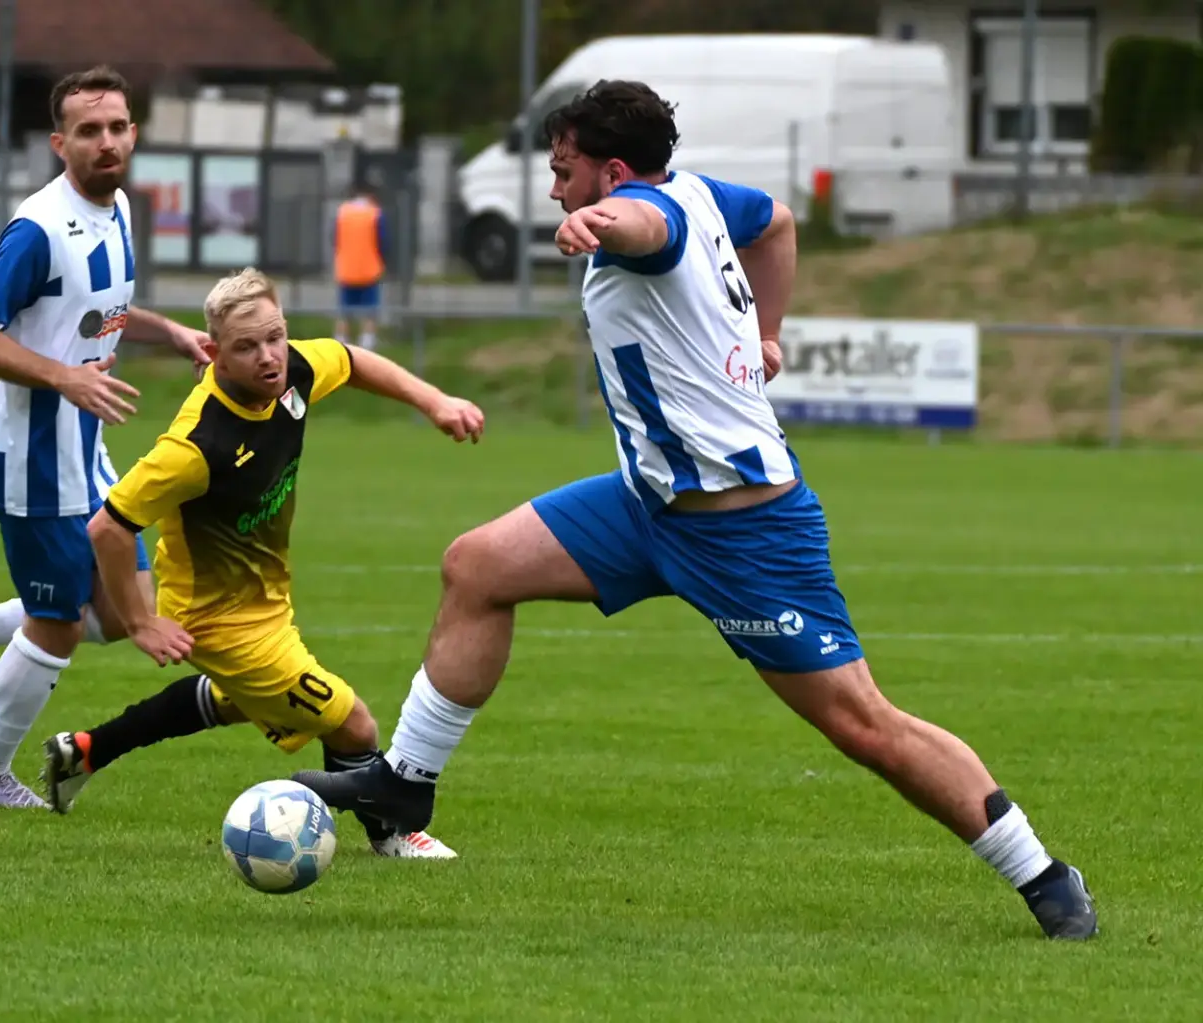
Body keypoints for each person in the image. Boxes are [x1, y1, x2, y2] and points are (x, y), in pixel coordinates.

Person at [292, 80, 1098, 939]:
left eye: (564, 173)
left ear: (611, 171)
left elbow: (645, 227)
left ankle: (1044, 875)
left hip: (743, 531)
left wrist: (599, 225)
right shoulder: (707, 192)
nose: (554, 190)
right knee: (477, 565)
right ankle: (404, 783)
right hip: (647, 500)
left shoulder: (647, 214)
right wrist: (770, 331)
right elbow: (780, 223)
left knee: (866, 725)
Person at [39, 267, 484, 858]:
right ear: (216, 353)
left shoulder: (291, 370)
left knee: (235, 701)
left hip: (262, 594)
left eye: (275, 337)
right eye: (247, 347)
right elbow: (109, 527)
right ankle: (393, 834)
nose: (269, 357)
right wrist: (142, 621)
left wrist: (434, 400)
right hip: (217, 616)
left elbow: (349, 359)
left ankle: (86, 751)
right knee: (352, 723)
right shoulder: (197, 446)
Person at [0, 65, 212, 810]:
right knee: (60, 623)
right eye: (88, 131)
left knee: (115, 610)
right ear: (58, 143)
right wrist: (65, 378)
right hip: (37, 464)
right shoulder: (38, 229)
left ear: (133, 132)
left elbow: (93, 311)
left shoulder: (120, 209)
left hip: (89, 454)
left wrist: (167, 331)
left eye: (116, 127)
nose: (106, 142)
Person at [332, 186, 385, 351]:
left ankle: (341, 344)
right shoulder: (375, 213)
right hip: (369, 270)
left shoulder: (342, 213)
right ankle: (367, 345)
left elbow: (333, 239)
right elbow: (384, 241)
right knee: (369, 312)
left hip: (346, 270)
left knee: (344, 312)